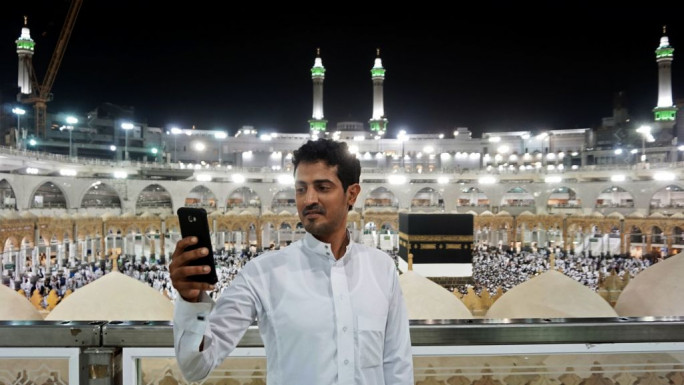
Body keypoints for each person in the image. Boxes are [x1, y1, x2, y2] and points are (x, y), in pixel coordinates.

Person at [170, 138, 414, 384]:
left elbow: (397, 365)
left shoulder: (381, 269)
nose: (309, 200)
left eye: (322, 187)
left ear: (351, 194)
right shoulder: (263, 274)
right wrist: (190, 302)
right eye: (301, 189)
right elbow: (196, 366)